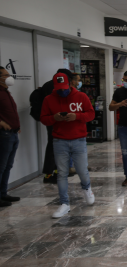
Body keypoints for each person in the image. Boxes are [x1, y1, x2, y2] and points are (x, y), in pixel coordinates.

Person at [40, 73, 95, 218]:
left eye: (64, 88)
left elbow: (91, 114)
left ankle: (87, 188)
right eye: (59, 89)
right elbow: (43, 119)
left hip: (79, 139)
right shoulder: (48, 99)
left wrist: (76, 116)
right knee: (62, 173)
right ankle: (64, 203)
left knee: (82, 170)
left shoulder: (81, 97)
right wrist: (54, 118)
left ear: (69, 84)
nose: (62, 91)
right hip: (59, 141)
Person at [36, 69, 77, 184]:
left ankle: (56, 172)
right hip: (54, 122)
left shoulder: (49, 85)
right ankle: (49, 174)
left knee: (55, 148)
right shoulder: (52, 88)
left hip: (56, 122)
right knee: (53, 147)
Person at [0, 66, 21, 207]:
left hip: (13, 134)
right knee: (1, 167)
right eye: (5, 75)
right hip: (3, 135)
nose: (8, 77)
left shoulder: (6, 92)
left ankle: (3, 193)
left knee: (8, 166)